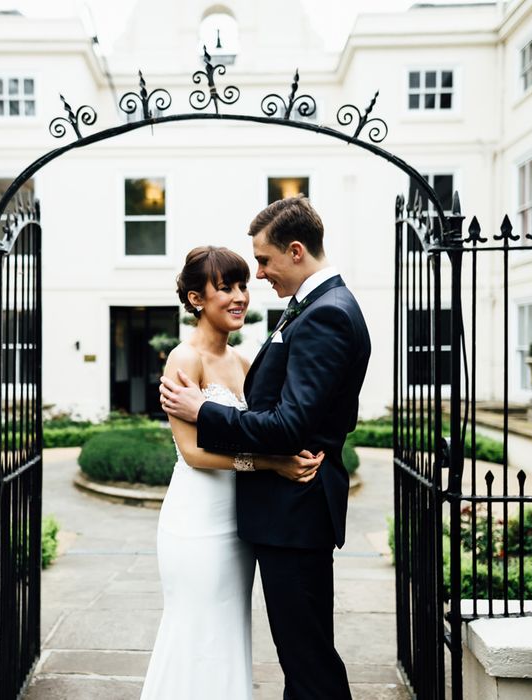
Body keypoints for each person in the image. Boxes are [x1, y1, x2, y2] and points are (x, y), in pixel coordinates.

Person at [160, 195, 371, 700]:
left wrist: (204, 411)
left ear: (295, 251)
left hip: (293, 514)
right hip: (259, 516)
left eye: (262, 261)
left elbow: (290, 423)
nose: (256, 277)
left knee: (308, 659)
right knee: (302, 656)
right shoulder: (317, 308)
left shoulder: (326, 314)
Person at [140, 245, 324, 700]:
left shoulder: (245, 362)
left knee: (227, 630)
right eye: (226, 287)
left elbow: (260, 428)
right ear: (197, 299)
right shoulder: (185, 360)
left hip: (238, 523)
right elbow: (194, 454)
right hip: (195, 522)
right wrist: (272, 464)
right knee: (195, 630)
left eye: (243, 285)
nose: (240, 296)